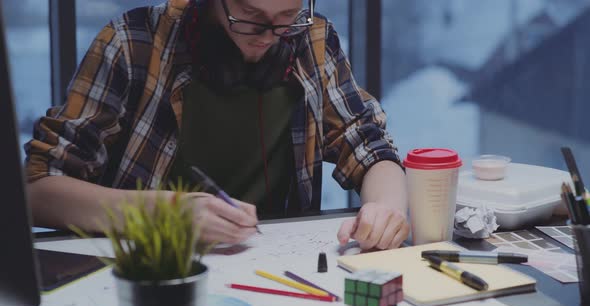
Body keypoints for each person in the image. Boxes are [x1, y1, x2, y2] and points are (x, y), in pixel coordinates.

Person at [24, 0, 409, 250]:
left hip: (270, 269)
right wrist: (166, 214)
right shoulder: (131, 43)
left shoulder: (313, 39)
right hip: (152, 274)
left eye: (286, 18)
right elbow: (38, 190)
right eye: (250, 17)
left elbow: (368, 144)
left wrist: (387, 208)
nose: (268, 38)